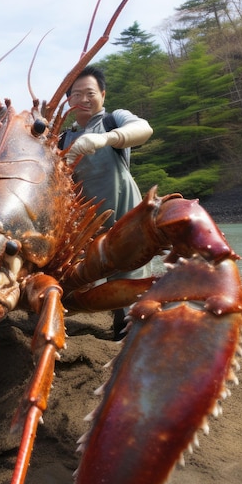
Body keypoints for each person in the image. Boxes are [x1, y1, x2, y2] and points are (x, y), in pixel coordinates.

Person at [60, 66, 153, 340]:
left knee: (129, 295)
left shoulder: (114, 120)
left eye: (90, 93)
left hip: (124, 221)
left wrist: (105, 138)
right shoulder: (63, 137)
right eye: (77, 94)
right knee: (72, 289)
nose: (84, 99)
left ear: (102, 94)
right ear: (68, 102)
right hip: (82, 230)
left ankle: (129, 335)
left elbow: (143, 128)